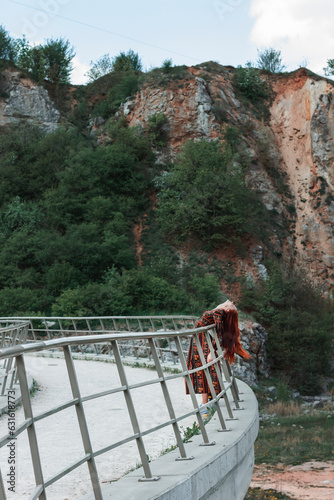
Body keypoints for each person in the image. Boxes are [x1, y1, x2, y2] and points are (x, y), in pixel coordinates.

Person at [186, 300, 250, 415]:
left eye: (233, 306)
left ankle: (205, 405)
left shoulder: (219, 312)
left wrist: (212, 351)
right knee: (205, 370)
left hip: (202, 342)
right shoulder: (219, 310)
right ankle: (209, 400)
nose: (232, 302)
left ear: (227, 310)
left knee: (203, 370)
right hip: (200, 340)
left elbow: (219, 332)